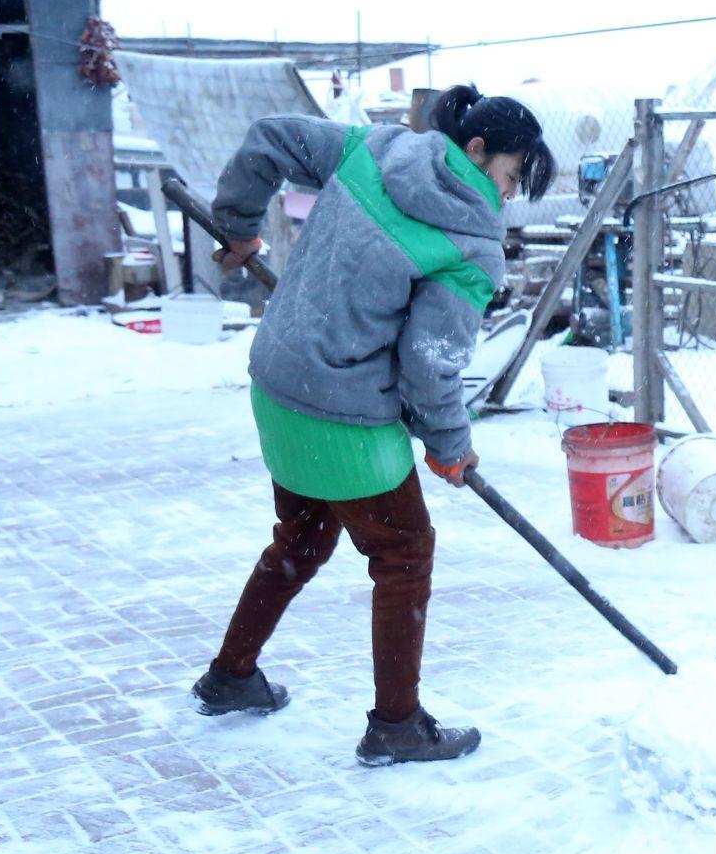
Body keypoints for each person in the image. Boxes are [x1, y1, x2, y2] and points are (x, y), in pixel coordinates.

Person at [189, 86, 555, 765]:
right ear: (475, 150)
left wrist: (237, 222)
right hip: (344, 417)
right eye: (508, 176)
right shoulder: (471, 248)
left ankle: (231, 676)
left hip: (277, 382)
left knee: (299, 541)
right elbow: (428, 360)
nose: (504, 196)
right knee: (403, 557)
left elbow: (270, 134)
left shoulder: (373, 148)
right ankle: (396, 726)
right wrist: (450, 445)